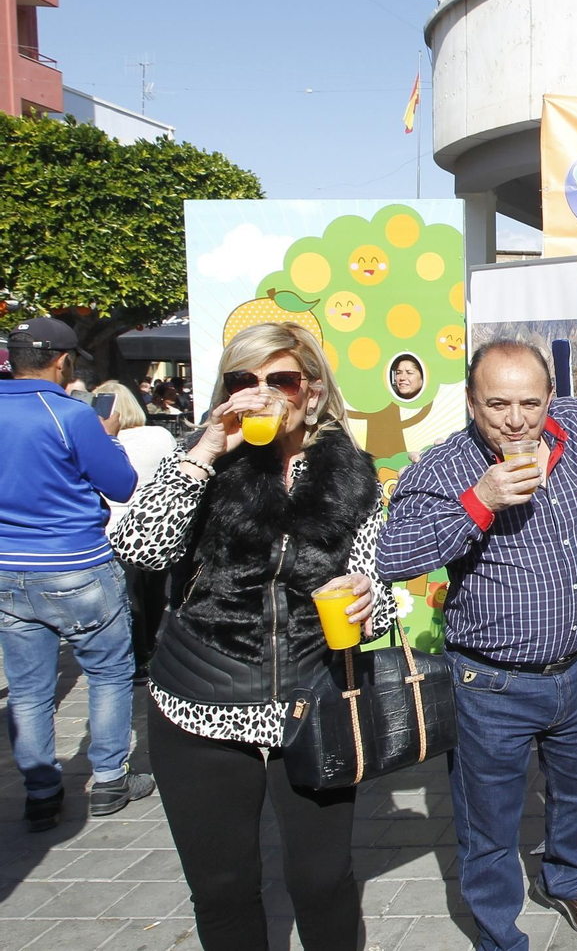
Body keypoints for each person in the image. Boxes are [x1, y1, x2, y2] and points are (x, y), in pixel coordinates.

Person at [110, 322, 391, 951]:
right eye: (243, 381)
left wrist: (374, 602)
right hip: (199, 698)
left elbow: (376, 586)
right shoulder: (201, 462)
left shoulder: (353, 475)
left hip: (308, 702)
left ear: (311, 392)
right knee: (224, 887)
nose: (260, 395)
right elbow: (138, 548)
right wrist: (206, 451)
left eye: (280, 381)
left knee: (323, 882)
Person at [376, 338, 577, 949]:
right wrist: (479, 502)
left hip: (575, 674)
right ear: (469, 401)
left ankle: (569, 882)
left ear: (551, 400)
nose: (516, 421)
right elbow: (393, 554)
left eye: (530, 404)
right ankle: (498, 932)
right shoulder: (444, 468)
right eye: (496, 405)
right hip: (492, 683)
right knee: (487, 822)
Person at [0, 317, 148, 832]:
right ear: (63, 362)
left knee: (28, 687)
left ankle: (41, 792)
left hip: (8, 569)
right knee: (108, 672)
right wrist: (107, 441)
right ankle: (109, 778)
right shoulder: (70, 414)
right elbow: (123, 483)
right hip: (75, 562)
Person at [95, 379, 176, 676]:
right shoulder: (159, 435)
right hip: (156, 527)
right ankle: (148, 649)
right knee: (154, 592)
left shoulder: (97, 441)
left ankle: (137, 654)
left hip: (112, 529)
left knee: (129, 598)